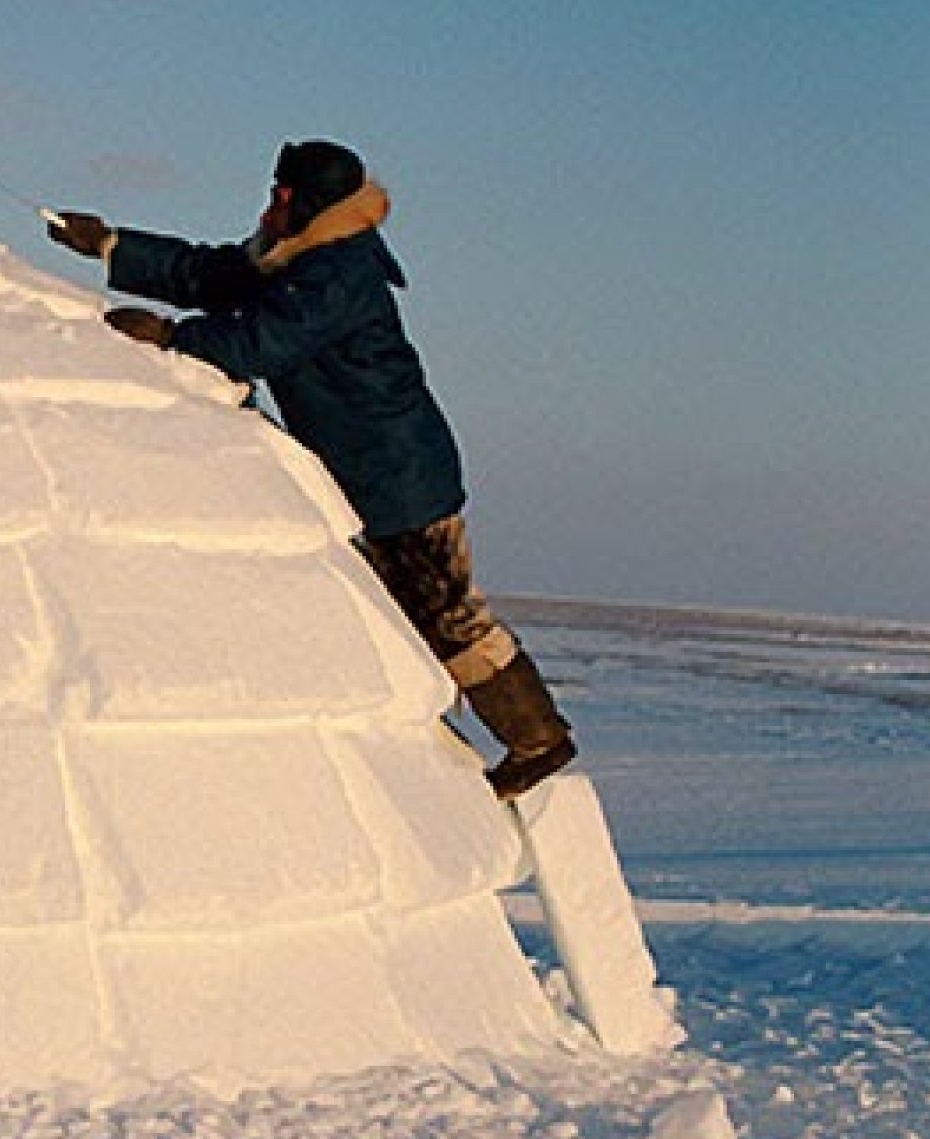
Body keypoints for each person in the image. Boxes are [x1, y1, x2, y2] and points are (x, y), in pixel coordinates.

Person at [46, 139, 576, 798]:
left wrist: (172, 337)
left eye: (282, 195)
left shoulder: (334, 277)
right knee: (403, 612)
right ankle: (457, 732)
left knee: (445, 611)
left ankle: (537, 739)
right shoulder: (298, 258)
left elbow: (260, 341)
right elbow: (212, 277)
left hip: (398, 475)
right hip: (375, 473)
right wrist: (112, 245)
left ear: (311, 205)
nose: (271, 205)